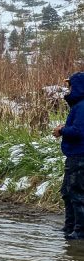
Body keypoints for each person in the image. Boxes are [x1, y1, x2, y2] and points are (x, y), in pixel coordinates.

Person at [53, 72, 84, 239]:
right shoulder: (79, 106)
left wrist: (62, 130)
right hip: (75, 157)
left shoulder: (81, 107)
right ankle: (70, 227)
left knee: (76, 193)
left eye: (70, 86)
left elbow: (79, 131)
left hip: (79, 157)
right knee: (67, 192)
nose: (68, 90)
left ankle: (80, 231)